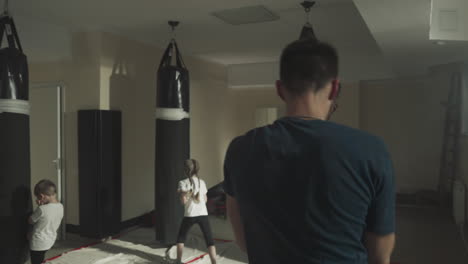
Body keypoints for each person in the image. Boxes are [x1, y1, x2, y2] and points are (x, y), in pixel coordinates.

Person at [224, 39, 396, 264]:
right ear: (334, 88)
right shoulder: (371, 149)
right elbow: (380, 255)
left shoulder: (239, 149)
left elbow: (244, 242)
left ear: (279, 89)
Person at [176, 159, 217, 264]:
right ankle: (214, 262)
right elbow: (206, 199)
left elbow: (183, 202)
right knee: (209, 240)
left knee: (181, 237)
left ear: (185, 170)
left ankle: (178, 261)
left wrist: (184, 194)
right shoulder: (202, 182)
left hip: (190, 215)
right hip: (203, 214)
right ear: (197, 170)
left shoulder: (182, 183)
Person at [28, 179, 64, 264]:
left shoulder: (41, 209)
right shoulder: (60, 206)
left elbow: (30, 221)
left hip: (38, 243)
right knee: (42, 259)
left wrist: (39, 206)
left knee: (36, 261)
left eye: (37, 197)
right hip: (50, 240)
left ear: (42, 196)